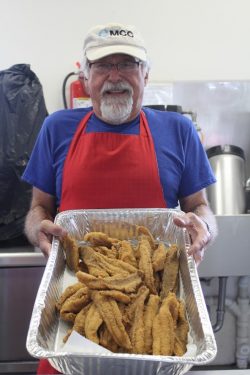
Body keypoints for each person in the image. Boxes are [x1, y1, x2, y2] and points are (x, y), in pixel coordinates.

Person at [22, 22, 217, 374]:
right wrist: (38, 230)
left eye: (127, 64)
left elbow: (199, 207)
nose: (115, 76)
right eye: (102, 65)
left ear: (146, 74)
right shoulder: (57, 128)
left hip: (155, 306)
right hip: (72, 307)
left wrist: (203, 227)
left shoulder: (179, 130)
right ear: (84, 75)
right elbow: (38, 208)